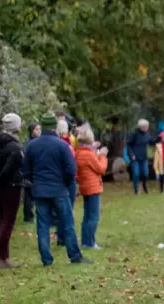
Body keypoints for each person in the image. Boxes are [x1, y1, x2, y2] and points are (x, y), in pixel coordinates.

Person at [24, 113, 91, 266]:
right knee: (67, 223)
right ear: (55, 127)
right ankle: (74, 256)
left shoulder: (32, 145)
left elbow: (26, 170)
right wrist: (66, 183)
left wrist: (35, 182)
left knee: (42, 225)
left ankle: (46, 260)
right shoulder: (61, 145)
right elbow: (71, 168)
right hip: (59, 189)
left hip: (40, 190)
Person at [0, 113, 25, 269]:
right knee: (8, 222)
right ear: (16, 127)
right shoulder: (15, 147)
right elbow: (8, 170)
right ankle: (1, 257)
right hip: (11, 187)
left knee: (3, 220)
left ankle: (2, 256)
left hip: (2, 187)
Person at [75, 127, 108, 250]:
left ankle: (85, 241)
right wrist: (102, 156)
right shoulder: (89, 155)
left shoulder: (79, 153)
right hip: (93, 187)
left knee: (86, 216)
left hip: (84, 186)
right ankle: (90, 242)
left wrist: (96, 154)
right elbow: (101, 169)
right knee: (94, 216)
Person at [127, 119, 154, 195]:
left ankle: (144, 185)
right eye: (146, 127)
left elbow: (151, 142)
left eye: (147, 126)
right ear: (141, 127)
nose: (147, 128)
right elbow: (128, 145)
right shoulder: (134, 134)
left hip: (144, 157)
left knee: (145, 173)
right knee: (136, 174)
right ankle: (136, 190)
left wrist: (159, 139)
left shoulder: (147, 134)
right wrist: (131, 154)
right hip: (135, 157)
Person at [23, 122, 41, 223]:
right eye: (36, 129)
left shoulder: (39, 142)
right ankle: (28, 216)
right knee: (29, 195)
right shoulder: (28, 143)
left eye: (39, 129)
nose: (39, 131)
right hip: (30, 171)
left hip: (37, 171)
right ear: (31, 131)